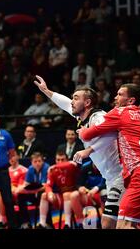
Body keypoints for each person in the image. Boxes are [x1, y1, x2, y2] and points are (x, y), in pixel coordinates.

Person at [34, 75, 124, 229]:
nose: (72, 102)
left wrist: (88, 150)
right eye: (73, 98)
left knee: (110, 223)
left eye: (76, 98)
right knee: (119, 222)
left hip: (120, 175)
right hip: (110, 177)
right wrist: (47, 91)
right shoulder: (82, 117)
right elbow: (64, 104)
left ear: (87, 102)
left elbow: (112, 134)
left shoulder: (98, 117)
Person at [78, 84, 140, 229]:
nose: (115, 97)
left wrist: (82, 131)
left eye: (119, 94)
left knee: (123, 225)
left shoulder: (119, 112)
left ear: (131, 100)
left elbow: (89, 134)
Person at [36, 151, 79, 229]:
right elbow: (48, 185)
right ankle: (42, 224)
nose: (60, 162)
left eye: (62, 159)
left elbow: (73, 164)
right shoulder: (53, 170)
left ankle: (67, 224)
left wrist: (56, 166)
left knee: (66, 195)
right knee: (44, 195)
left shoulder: (72, 165)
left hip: (74, 196)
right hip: (61, 196)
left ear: (67, 159)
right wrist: (50, 193)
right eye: (58, 160)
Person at [15, 152, 49, 228]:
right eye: (35, 162)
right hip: (34, 193)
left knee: (42, 193)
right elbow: (26, 184)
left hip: (44, 195)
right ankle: (26, 222)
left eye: (39, 161)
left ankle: (45, 223)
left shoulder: (46, 168)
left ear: (42, 161)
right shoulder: (30, 169)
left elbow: (45, 186)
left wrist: (30, 190)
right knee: (21, 195)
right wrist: (19, 189)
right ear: (32, 162)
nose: (37, 164)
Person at [70, 161, 105, 229]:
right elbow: (78, 183)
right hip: (88, 194)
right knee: (74, 195)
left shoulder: (107, 165)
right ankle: (81, 224)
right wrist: (80, 187)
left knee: (104, 194)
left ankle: (106, 224)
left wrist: (97, 188)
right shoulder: (85, 167)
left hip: (102, 192)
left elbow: (109, 181)